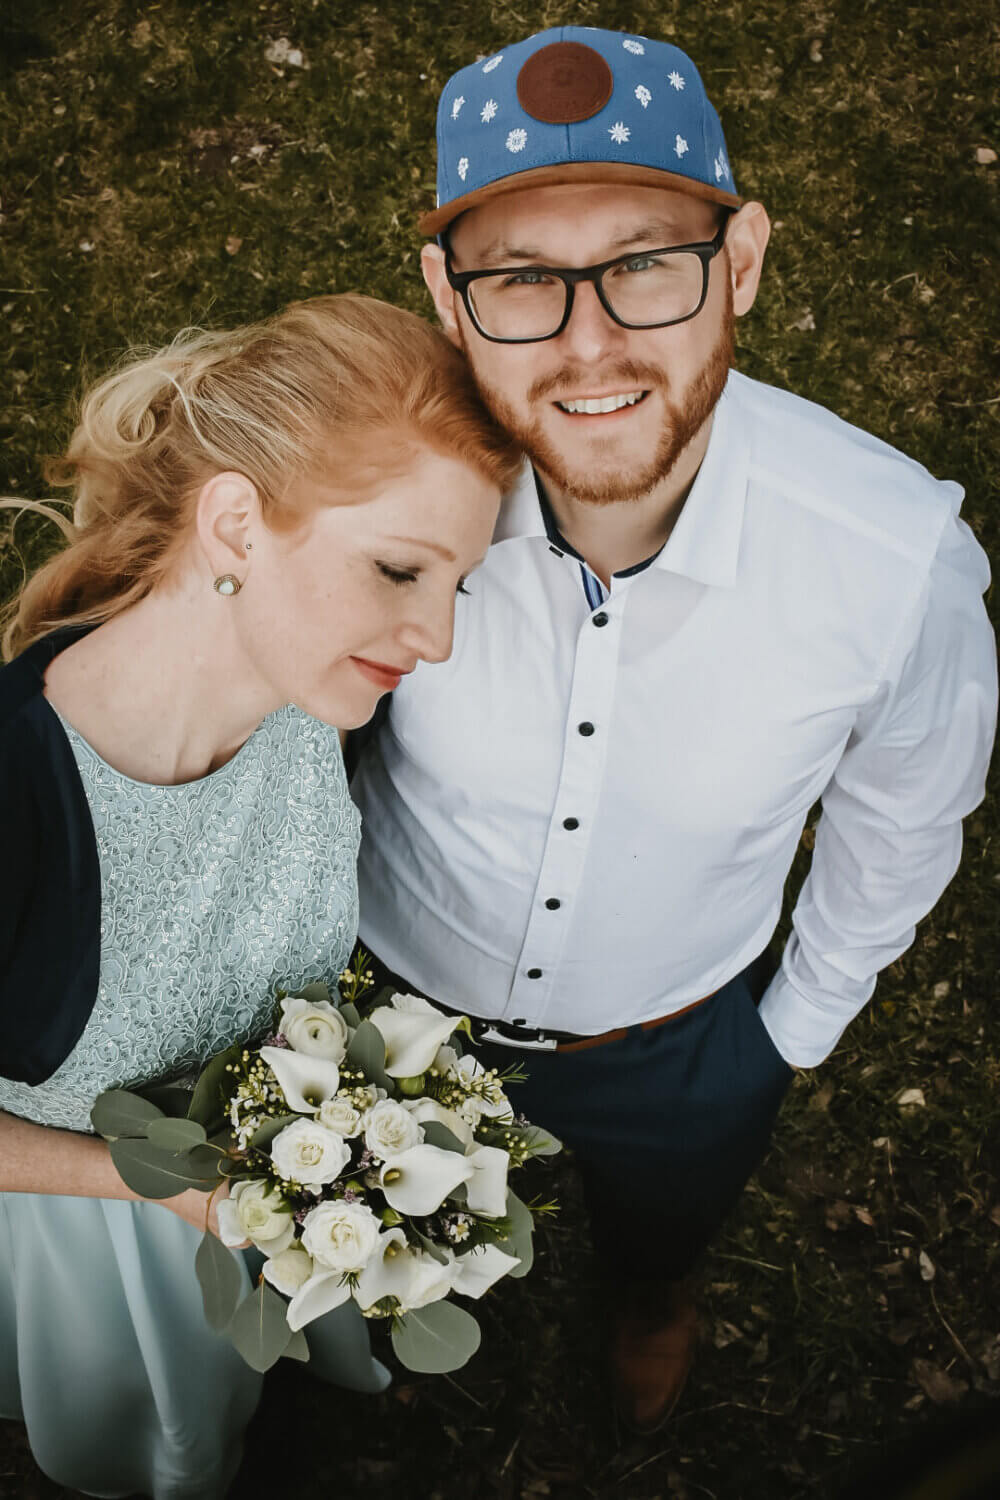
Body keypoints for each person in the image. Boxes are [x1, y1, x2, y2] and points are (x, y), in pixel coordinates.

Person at [348, 26, 998, 1436]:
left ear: (744, 262)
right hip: (389, 994)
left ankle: (648, 1294)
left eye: (644, 264)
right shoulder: (377, 500)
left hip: (686, 1039)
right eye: (523, 279)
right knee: (379, 1224)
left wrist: (784, 1040)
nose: (590, 346)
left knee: (665, 1218)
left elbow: (903, 820)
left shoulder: (897, 568)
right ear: (449, 301)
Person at [0, 292, 520, 1499]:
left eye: (457, 585)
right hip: (104, 1231)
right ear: (235, 523)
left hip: (264, 1172)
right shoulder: (20, 806)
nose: (435, 640)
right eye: (399, 569)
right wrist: (172, 1189)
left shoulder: (305, 693)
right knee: (173, 1442)